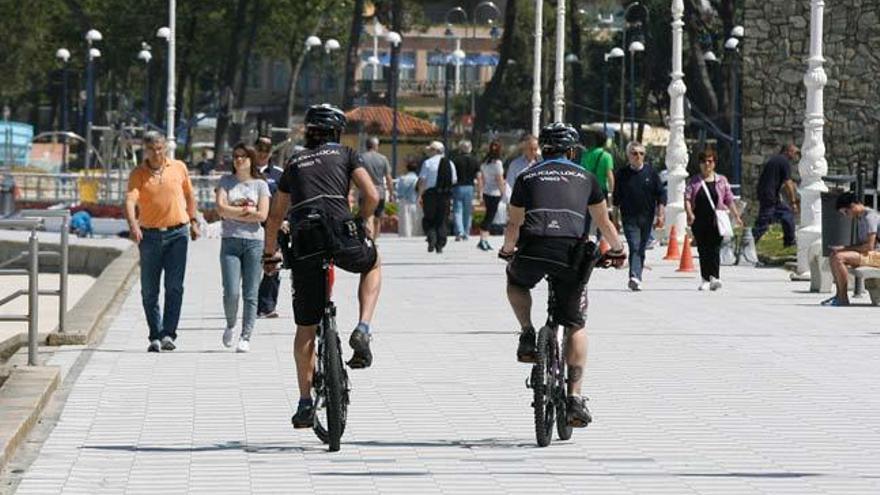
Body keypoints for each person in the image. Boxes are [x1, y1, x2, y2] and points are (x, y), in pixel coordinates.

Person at [262, 104, 382, 428]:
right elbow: (370, 193)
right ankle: (363, 327)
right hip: (340, 232)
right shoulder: (346, 154)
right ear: (336, 131)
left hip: (304, 241)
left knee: (306, 327)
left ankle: (304, 402)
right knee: (372, 263)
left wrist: (270, 255)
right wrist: (364, 219)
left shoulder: (294, 162)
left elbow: (274, 216)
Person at [500, 122, 626, 428]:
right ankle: (574, 398)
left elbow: (513, 224)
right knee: (575, 324)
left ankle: (528, 334)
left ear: (543, 149)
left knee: (516, 281)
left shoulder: (526, 176)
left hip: (533, 249)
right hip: (571, 254)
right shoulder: (588, 177)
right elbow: (604, 223)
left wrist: (507, 250)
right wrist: (619, 251)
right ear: (572, 150)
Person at [124, 131, 200, 353]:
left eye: (160, 148)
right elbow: (130, 200)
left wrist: (194, 221)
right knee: (149, 290)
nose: (156, 153)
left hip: (178, 234)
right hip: (149, 236)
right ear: (145, 150)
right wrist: (133, 225)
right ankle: (155, 334)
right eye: (152, 149)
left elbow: (190, 196)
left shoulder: (178, 167)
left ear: (165, 147)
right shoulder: (138, 174)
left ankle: (169, 333)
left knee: (174, 287)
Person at [215, 143, 270, 352]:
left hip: (254, 242)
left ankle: (246, 336)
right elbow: (220, 208)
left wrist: (234, 212)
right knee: (230, 292)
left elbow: (262, 215)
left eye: (244, 157)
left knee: (250, 292)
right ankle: (230, 324)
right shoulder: (226, 181)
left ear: (252, 160)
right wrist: (247, 211)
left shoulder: (260, 185)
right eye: (236, 156)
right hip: (230, 241)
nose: (239, 160)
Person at [684, 149, 744, 291]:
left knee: (715, 249)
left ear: (714, 163)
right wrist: (690, 213)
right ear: (699, 164)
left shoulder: (721, 181)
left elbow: (729, 199)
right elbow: (686, 198)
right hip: (699, 220)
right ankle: (705, 278)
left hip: (716, 220)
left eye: (710, 161)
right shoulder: (694, 182)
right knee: (703, 250)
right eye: (704, 161)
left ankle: (715, 277)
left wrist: (736, 216)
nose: (707, 164)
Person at [613, 141, 666, 291]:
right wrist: (615, 219)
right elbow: (616, 199)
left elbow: (661, 195)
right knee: (634, 246)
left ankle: (637, 276)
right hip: (629, 217)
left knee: (641, 248)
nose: (638, 156)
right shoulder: (622, 174)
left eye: (641, 153)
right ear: (628, 155)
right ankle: (634, 276)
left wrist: (660, 214)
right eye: (634, 153)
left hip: (647, 217)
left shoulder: (651, 173)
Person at [821, 192, 880, 306]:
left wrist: (844, 248)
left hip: (876, 256)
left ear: (853, 206)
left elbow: (869, 246)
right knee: (834, 255)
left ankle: (843, 298)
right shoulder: (861, 217)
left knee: (839, 258)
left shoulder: (869, 217)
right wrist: (843, 249)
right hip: (873, 255)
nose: (846, 215)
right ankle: (839, 295)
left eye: (846, 212)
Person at [255, 136, 286, 319]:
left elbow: (287, 199)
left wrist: (286, 220)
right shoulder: (246, 171)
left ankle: (267, 306)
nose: (262, 153)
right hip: (251, 227)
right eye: (259, 148)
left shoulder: (279, 174)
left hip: (273, 228)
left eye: (266, 149)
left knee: (272, 266)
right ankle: (252, 303)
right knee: (251, 270)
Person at [753, 144, 799, 247]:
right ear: (788, 151)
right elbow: (788, 183)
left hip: (769, 195)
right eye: (795, 152)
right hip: (769, 196)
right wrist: (793, 201)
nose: (795, 156)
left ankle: (789, 242)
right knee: (763, 223)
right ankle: (748, 244)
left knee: (787, 215)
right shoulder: (784, 162)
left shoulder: (776, 160)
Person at [418, 141, 456, 254]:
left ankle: (431, 239)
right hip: (445, 194)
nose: (429, 152)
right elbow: (454, 180)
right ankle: (440, 244)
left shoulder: (428, 163)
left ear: (435, 151)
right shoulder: (450, 163)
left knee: (429, 218)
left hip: (430, 194)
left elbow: (422, 181)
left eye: (430, 150)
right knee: (442, 219)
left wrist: (420, 195)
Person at [360, 137, 394, 239]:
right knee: (377, 217)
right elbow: (388, 177)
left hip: (365, 190)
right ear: (376, 146)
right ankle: (375, 239)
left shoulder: (361, 158)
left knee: (367, 216)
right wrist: (391, 193)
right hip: (379, 191)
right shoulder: (383, 159)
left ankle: (368, 238)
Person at [476, 140, 505, 251]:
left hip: (487, 192)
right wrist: (503, 192)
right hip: (495, 193)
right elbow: (499, 179)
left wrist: (480, 193)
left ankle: (485, 240)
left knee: (489, 215)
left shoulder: (485, 163)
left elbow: (482, 178)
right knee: (489, 217)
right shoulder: (498, 163)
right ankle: (483, 240)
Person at [451, 139, 480, 241]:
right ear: (470, 148)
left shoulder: (455, 160)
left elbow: (452, 176)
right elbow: (479, 176)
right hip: (470, 187)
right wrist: (480, 190)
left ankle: (459, 232)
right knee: (468, 211)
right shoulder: (475, 160)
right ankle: (467, 233)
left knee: (457, 210)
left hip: (458, 187)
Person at [396, 160, 421, 237]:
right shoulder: (417, 179)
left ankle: (404, 235)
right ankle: (414, 235)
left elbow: (398, 190)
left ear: (407, 169)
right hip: (414, 201)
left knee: (404, 220)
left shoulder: (401, 179)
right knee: (414, 220)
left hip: (403, 201)